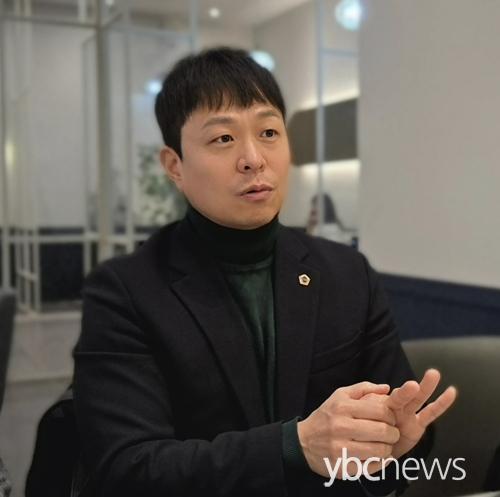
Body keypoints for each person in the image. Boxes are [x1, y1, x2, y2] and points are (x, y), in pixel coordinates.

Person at [73, 47, 456, 497]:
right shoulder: (125, 291)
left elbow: (397, 441)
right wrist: (294, 447)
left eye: (269, 132)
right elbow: (126, 468)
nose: (253, 158)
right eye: (223, 139)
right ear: (175, 166)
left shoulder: (347, 274)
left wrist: (397, 445)